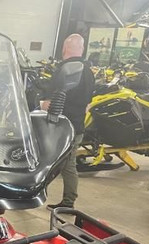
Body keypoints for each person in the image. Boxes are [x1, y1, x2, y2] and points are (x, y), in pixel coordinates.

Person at [42, 34, 95, 209]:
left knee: (60, 163)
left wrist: (37, 104)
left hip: (61, 126)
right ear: (82, 49)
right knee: (65, 162)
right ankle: (66, 199)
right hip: (77, 125)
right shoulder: (88, 71)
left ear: (64, 48)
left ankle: (68, 201)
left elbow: (50, 102)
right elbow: (88, 102)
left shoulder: (65, 69)